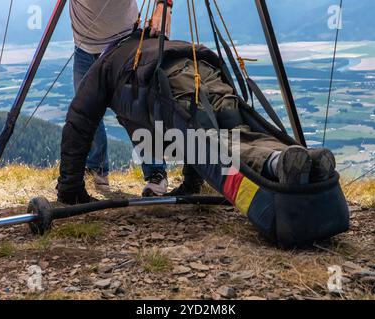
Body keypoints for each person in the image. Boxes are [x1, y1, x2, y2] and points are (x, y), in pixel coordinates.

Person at [56, 32, 336, 205]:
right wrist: (191, 183)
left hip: (168, 82)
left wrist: (70, 188)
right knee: (238, 128)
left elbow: (79, 123)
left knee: (208, 141)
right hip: (204, 69)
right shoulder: (155, 38)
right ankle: (305, 160)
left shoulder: (103, 66)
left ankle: (276, 164)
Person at [69, 0, 172, 196]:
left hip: (123, 43)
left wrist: (163, 6)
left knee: (135, 108)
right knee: (87, 112)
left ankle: (156, 172)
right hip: (84, 48)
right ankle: (95, 170)